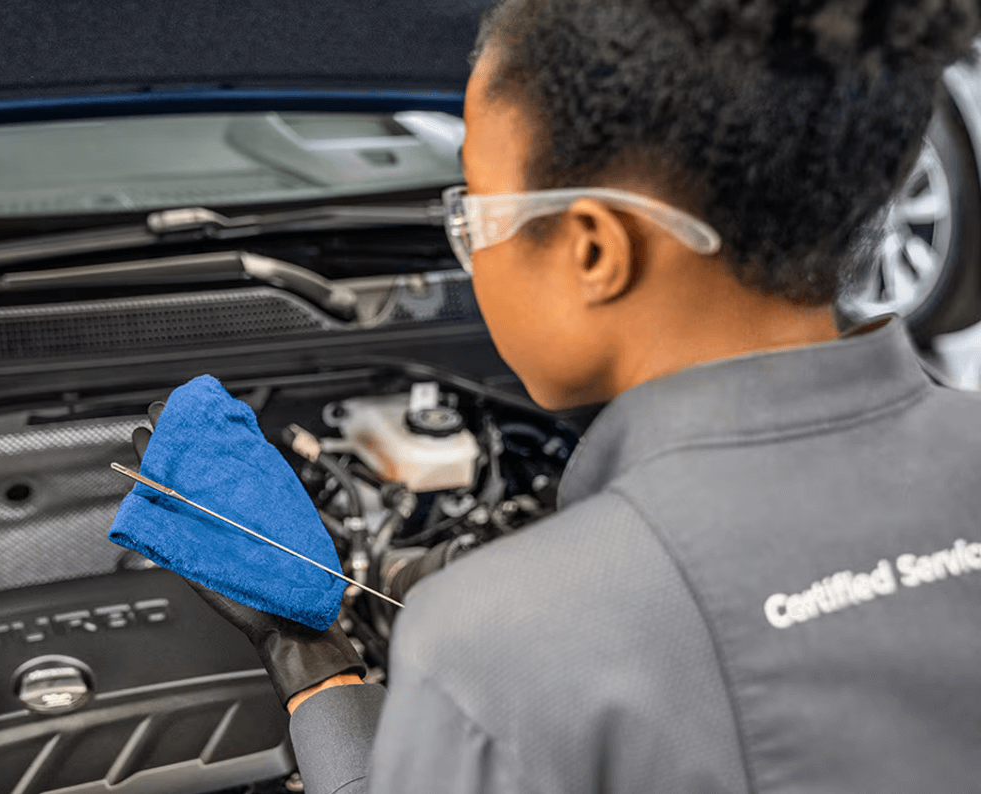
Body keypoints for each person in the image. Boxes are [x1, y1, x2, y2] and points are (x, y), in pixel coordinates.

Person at [133, 0, 981, 791]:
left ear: (592, 251)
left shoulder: (493, 646)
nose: (467, 241)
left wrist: (313, 664)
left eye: (475, 209)